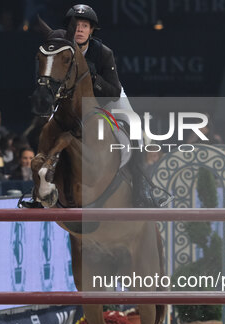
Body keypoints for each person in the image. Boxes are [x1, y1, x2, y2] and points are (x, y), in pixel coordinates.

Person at [64, 4, 160, 207]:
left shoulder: (103, 52)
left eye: (85, 26)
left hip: (106, 100)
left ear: (91, 31)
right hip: (75, 103)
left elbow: (113, 91)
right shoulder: (62, 50)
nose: (79, 30)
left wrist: (93, 77)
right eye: (76, 25)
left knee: (134, 126)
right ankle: (42, 183)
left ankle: (141, 188)